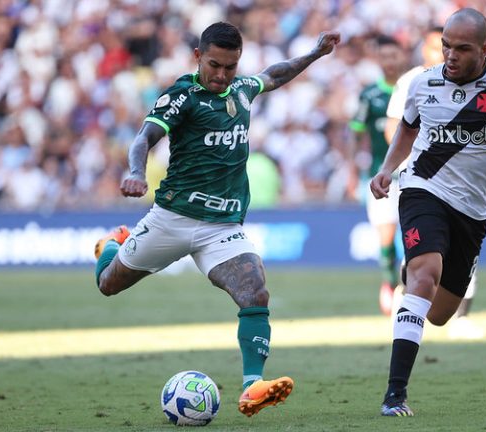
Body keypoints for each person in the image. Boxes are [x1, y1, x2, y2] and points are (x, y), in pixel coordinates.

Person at [93, 22, 340, 417]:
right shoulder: (182, 95)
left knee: (254, 291)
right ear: (197, 57)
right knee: (108, 284)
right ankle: (111, 246)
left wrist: (313, 54)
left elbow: (275, 74)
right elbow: (143, 138)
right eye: (214, 65)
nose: (222, 75)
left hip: (222, 227)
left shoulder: (242, 90)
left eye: (230, 66)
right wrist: (137, 172)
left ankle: (251, 386)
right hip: (172, 219)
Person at [370, 8, 486, 416]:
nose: (450, 55)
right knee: (425, 275)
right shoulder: (423, 82)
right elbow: (408, 130)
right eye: (447, 46)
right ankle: (395, 395)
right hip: (422, 190)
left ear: (484, 49)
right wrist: (387, 169)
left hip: (472, 212)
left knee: (440, 314)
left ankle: (412, 274)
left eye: (462, 49)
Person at [384, 26, 485, 339]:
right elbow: (397, 128)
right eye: (438, 46)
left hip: (465, 185)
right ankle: (409, 304)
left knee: (462, 254)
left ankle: (461, 317)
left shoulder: (484, 83)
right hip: (424, 181)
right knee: (423, 254)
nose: (444, 53)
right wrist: (399, 165)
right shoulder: (413, 81)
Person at [349, 35, 408, 316]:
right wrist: (352, 171)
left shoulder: (413, 90)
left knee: (415, 236)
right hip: (379, 177)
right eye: (384, 56)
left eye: (393, 55)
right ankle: (389, 283)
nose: (389, 61)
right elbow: (356, 133)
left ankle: (409, 289)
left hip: (412, 176)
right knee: (386, 238)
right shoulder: (369, 95)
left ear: (402, 57)